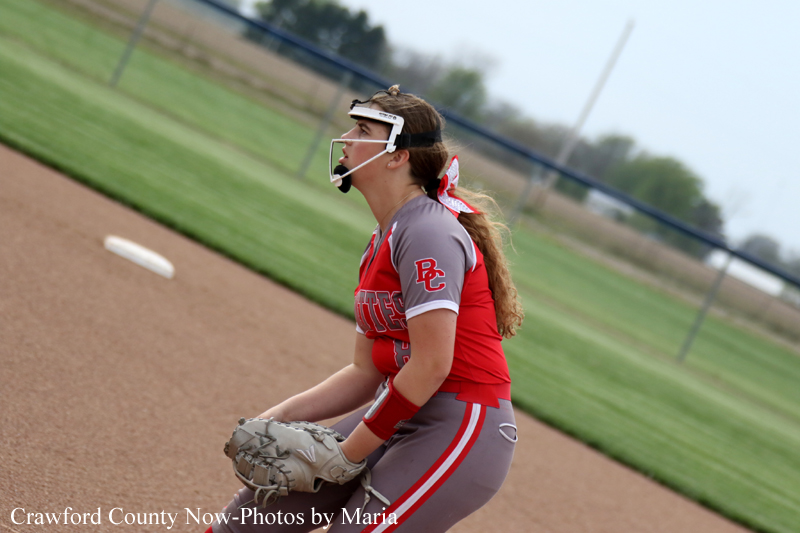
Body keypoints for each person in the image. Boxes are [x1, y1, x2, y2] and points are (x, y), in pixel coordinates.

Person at [209, 85, 524, 533]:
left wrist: (348, 453)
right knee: (251, 519)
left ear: (397, 157)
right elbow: (364, 371)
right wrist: (275, 418)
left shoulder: (429, 234)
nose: (348, 137)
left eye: (363, 129)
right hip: (399, 410)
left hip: (460, 425)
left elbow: (433, 364)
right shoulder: (383, 239)